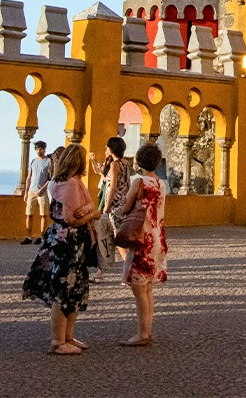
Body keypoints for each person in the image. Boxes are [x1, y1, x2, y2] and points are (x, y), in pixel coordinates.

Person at [22, 143, 97, 355]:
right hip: (69, 242)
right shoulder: (72, 184)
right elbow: (70, 218)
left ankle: (67, 337)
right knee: (65, 289)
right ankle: (58, 340)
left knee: (72, 288)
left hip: (62, 239)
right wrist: (93, 214)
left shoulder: (57, 181)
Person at [116, 142, 168, 347]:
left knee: (139, 290)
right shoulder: (161, 184)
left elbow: (125, 208)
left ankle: (142, 334)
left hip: (141, 238)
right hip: (156, 237)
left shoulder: (139, 182)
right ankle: (147, 330)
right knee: (147, 288)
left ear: (139, 161)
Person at [95, 136, 130, 269]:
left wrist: (106, 206)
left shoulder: (114, 164)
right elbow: (128, 183)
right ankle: (102, 270)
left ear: (111, 149)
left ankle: (129, 268)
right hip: (124, 202)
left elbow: (112, 187)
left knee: (118, 238)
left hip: (115, 205)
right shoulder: (125, 163)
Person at [20, 140, 51, 245]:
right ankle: (28, 236)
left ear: (44, 149)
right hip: (32, 192)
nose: (39, 151)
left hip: (42, 192)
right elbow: (29, 177)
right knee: (29, 214)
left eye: (40, 149)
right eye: (37, 149)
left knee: (43, 214)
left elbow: (50, 178)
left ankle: (42, 236)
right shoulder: (33, 161)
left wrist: (42, 190)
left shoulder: (48, 161)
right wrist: (26, 192)